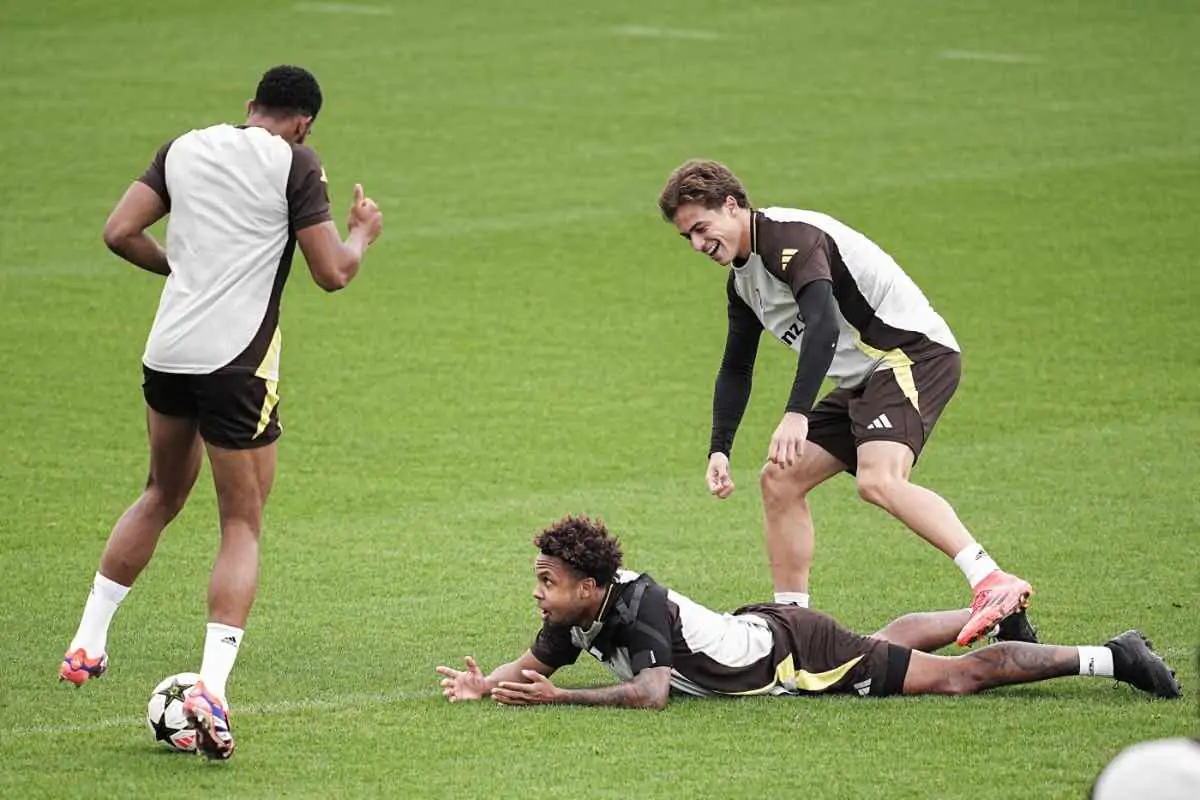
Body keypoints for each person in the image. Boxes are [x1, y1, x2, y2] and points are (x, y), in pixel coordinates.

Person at [58, 65, 384, 760]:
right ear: (304, 123)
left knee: (160, 492)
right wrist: (362, 234)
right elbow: (331, 272)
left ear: (250, 106)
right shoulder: (297, 163)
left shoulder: (183, 146)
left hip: (168, 353)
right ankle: (210, 686)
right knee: (241, 521)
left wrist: (181, 270)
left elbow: (119, 232)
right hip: (237, 363)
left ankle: (88, 642)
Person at [656, 158, 1033, 648]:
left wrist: (796, 413)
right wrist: (719, 447)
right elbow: (736, 368)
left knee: (879, 479)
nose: (697, 245)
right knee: (780, 479)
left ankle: (991, 580)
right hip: (865, 377)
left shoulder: (791, 240)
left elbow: (824, 327)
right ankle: (794, 628)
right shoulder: (743, 282)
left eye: (701, 229)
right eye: (687, 236)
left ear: (731, 205)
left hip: (910, 355)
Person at [436, 516, 1180, 709]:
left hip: (797, 656)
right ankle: (990, 608)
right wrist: (485, 684)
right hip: (774, 633)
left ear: (590, 585)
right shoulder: (574, 616)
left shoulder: (638, 608)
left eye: (548, 581)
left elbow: (651, 694)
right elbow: (529, 667)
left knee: (956, 679)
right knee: (880, 644)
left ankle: (1113, 656)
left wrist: (561, 698)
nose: (538, 593)